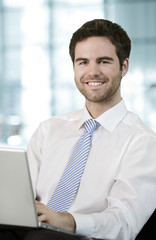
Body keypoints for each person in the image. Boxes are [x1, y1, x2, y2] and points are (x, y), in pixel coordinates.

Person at [1, 19, 156, 240]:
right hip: (31, 231)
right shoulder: (49, 129)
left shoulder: (143, 142)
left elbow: (123, 222)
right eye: (83, 62)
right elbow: (19, 199)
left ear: (124, 67)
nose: (92, 72)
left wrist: (65, 220)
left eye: (103, 61)